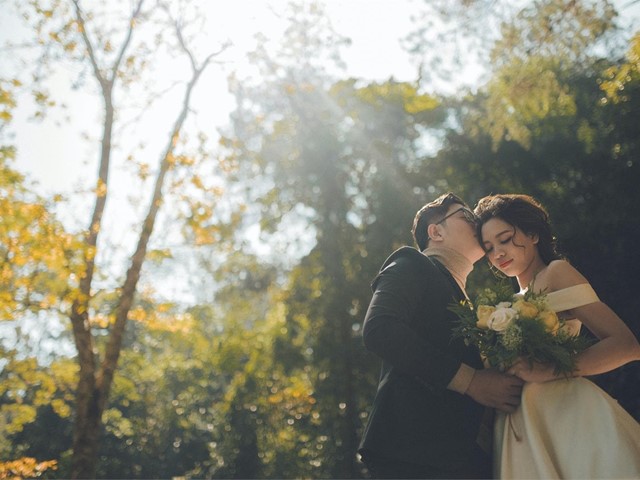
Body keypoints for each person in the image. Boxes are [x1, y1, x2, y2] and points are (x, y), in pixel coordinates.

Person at [358, 192, 524, 479]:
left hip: (464, 459)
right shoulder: (412, 262)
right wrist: (470, 381)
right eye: (466, 216)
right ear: (436, 232)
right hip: (414, 455)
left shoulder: (469, 304)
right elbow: (380, 328)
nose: (478, 222)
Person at [475, 193, 640, 479]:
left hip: (568, 418)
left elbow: (627, 345)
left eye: (504, 239)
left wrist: (549, 370)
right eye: (489, 247)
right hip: (518, 429)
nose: (497, 253)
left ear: (533, 234)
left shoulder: (556, 273)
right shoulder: (505, 304)